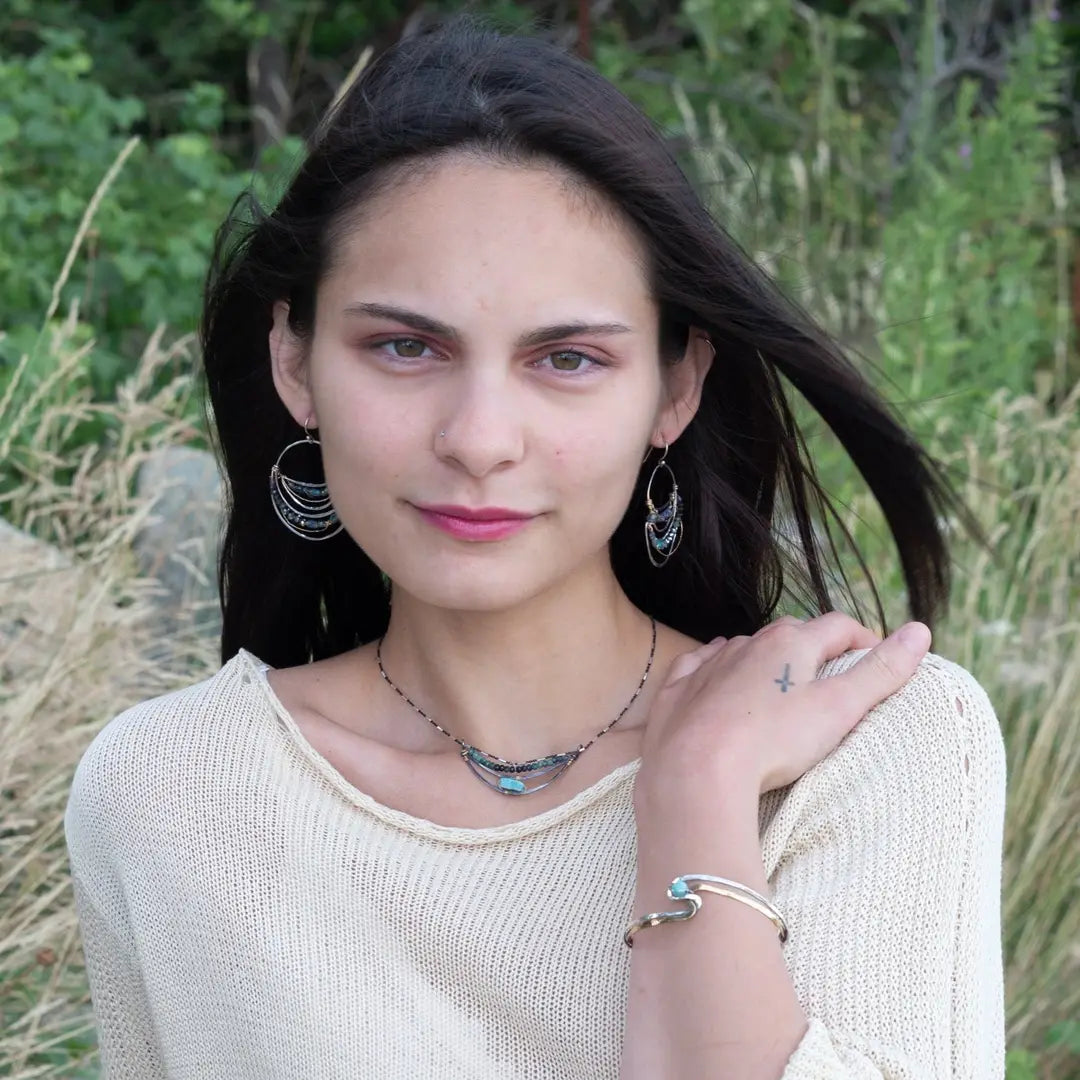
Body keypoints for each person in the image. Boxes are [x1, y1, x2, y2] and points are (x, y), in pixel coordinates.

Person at [63, 14, 1007, 1079]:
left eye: (565, 359)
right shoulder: (166, 792)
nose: (478, 441)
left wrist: (696, 797)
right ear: (296, 362)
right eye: (405, 347)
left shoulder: (876, 751)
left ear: (677, 387)